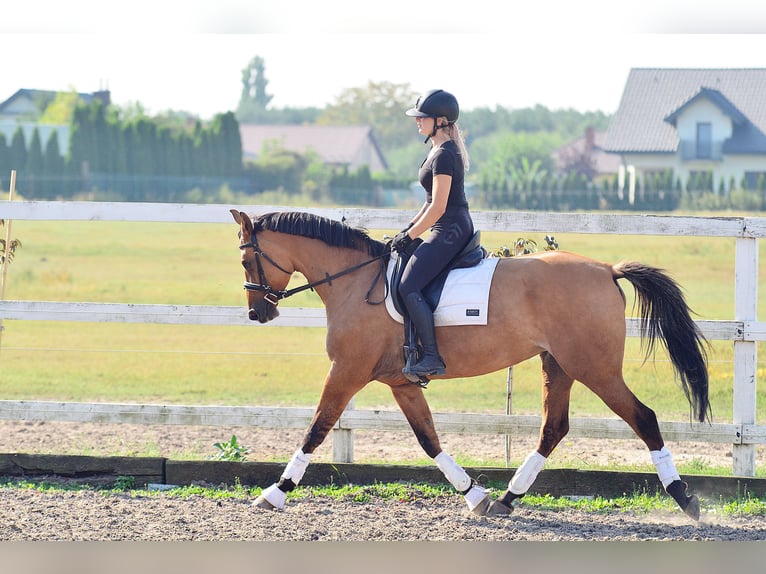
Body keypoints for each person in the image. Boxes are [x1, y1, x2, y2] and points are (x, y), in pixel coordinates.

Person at [390, 89, 474, 378]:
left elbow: (438, 207)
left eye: (422, 117)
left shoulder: (446, 154)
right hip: (443, 225)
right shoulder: (436, 150)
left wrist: (412, 235)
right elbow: (428, 202)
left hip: (451, 229)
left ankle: (432, 357)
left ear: (440, 120)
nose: (417, 122)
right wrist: (406, 231)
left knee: (407, 286)